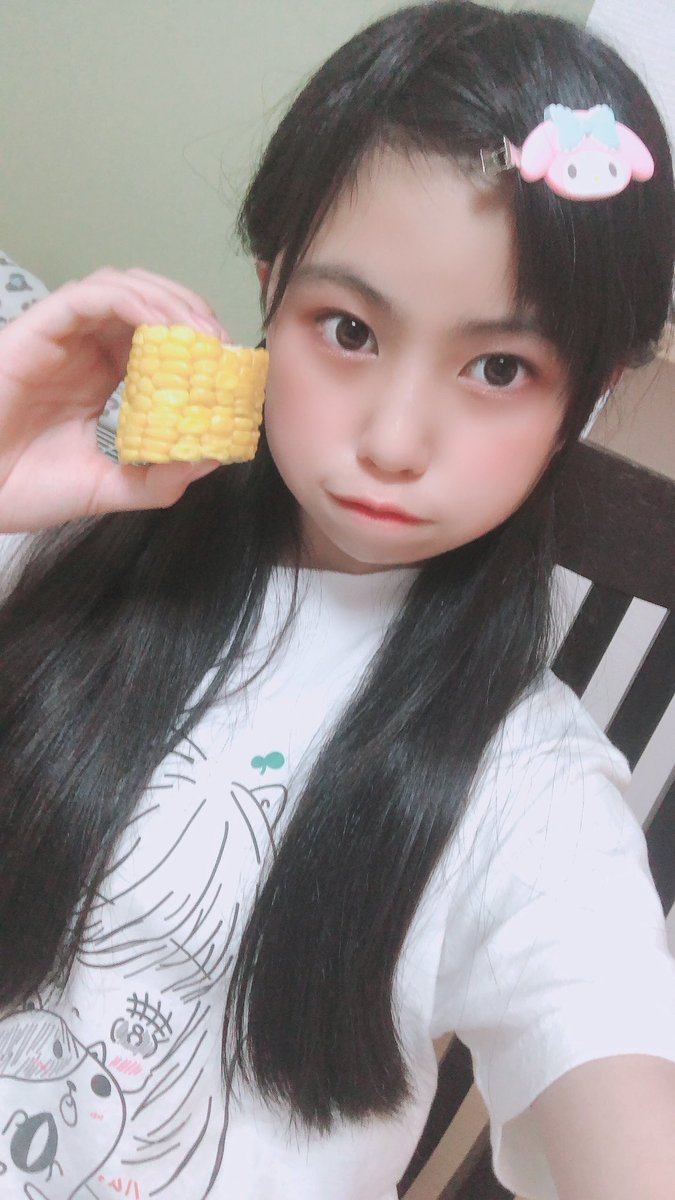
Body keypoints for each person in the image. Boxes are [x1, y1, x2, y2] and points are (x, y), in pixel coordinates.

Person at [0, 2, 673, 1197]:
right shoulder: (65, 547)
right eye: (349, 330)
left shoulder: (531, 793)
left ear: (588, 396)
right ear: (271, 290)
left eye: (500, 368)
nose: (394, 441)